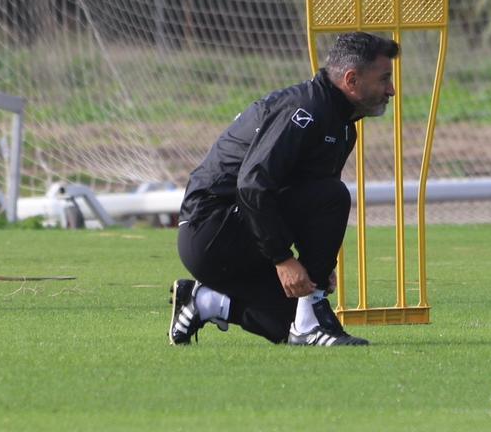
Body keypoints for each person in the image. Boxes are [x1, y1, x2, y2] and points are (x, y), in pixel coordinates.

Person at [169, 31, 398, 345]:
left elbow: (301, 202)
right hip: (210, 232)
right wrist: (283, 260)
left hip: (236, 234)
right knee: (333, 197)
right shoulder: (305, 111)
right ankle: (308, 322)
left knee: (282, 322)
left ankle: (205, 301)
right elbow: (252, 186)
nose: (392, 90)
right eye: (384, 79)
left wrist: (317, 267)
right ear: (351, 79)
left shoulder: (341, 125)